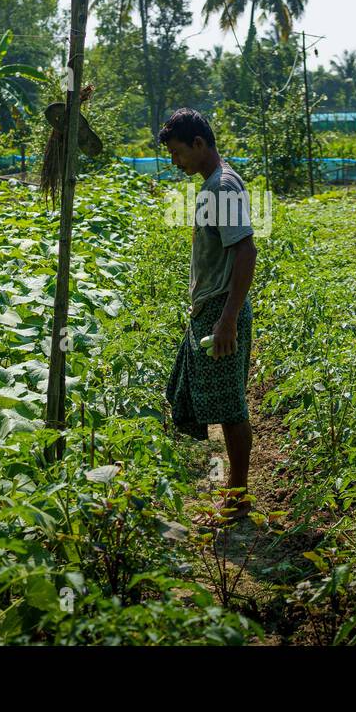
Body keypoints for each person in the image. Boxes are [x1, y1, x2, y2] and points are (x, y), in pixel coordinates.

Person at [160, 108, 257, 521]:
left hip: (220, 310)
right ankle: (233, 491)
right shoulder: (213, 186)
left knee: (231, 407)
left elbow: (246, 250)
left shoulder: (223, 187)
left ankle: (237, 497)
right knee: (186, 394)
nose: (175, 162)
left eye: (178, 153)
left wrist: (227, 318)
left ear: (199, 144)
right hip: (209, 309)